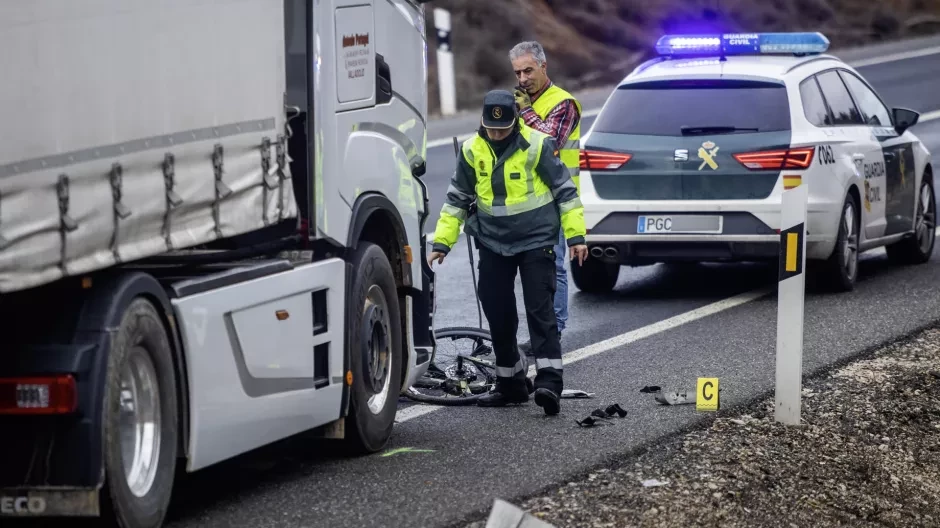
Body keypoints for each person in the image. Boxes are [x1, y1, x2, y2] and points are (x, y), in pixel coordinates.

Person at [427, 89, 588, 416]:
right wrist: (442, 243)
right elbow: (457, 198)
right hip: (493, 243)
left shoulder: (538, 145)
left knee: (539, 311)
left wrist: (576, 237)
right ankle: (510, 383)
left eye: (503, 129)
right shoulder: (472, 150)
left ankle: (548, 383)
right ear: (483, 124)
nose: (496, 134)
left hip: (536, 240)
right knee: (499, 314)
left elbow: (566, 193)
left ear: (515, 123)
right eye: (491, 129)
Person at [508, 40, 583, 351]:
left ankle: (555, 330)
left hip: (557, 197)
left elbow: (549, 144)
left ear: (543, 66)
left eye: (528, 70)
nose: (523, 78)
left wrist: (524, 111)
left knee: (554, 267)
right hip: (525, 199)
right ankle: (538, 333)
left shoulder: (563, 103)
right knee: (530, 268)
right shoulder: (517, 101)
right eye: (517, 73)